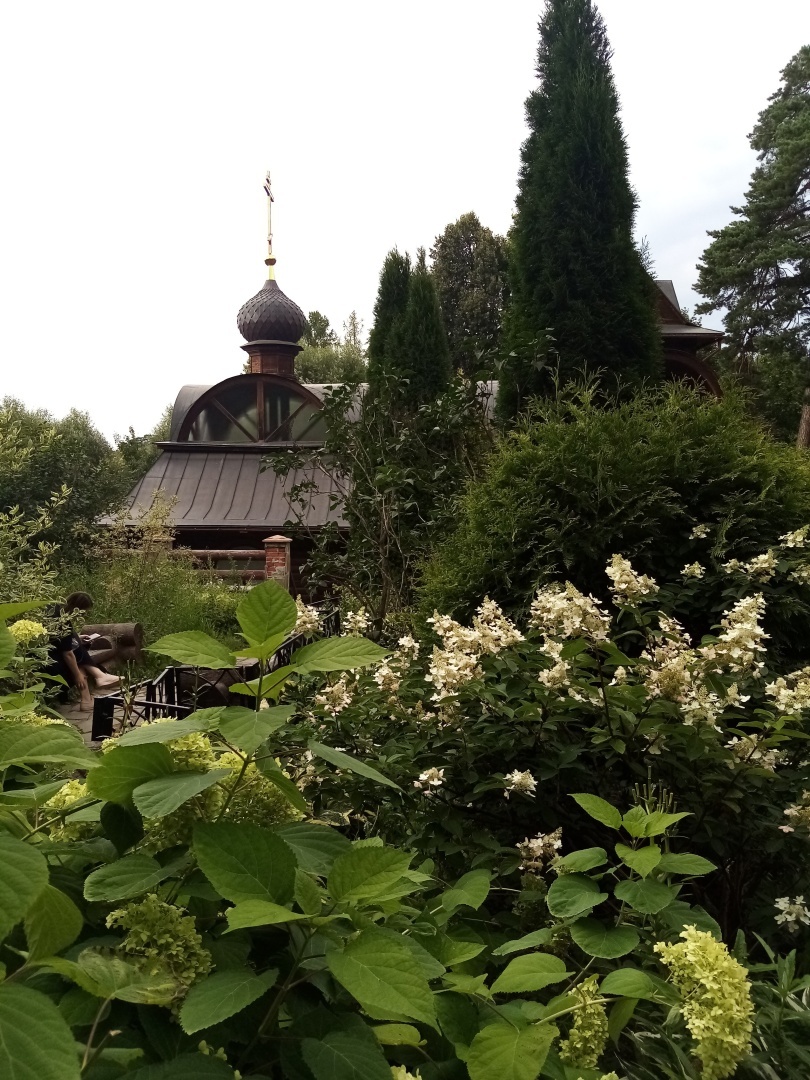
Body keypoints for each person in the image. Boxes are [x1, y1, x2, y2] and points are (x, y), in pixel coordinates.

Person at [47, 592, 119, 711]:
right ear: (78, 609)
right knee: (78, 651)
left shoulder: (54, 609)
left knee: (77, 644)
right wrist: (78, 676)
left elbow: (58, 641)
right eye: (84, 612)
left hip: (49, 653)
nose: (83, 616)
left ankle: (88, 697)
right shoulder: (63, 623)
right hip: (51, 662)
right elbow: (68, 654)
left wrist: (76, 638)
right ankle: (97, 679)